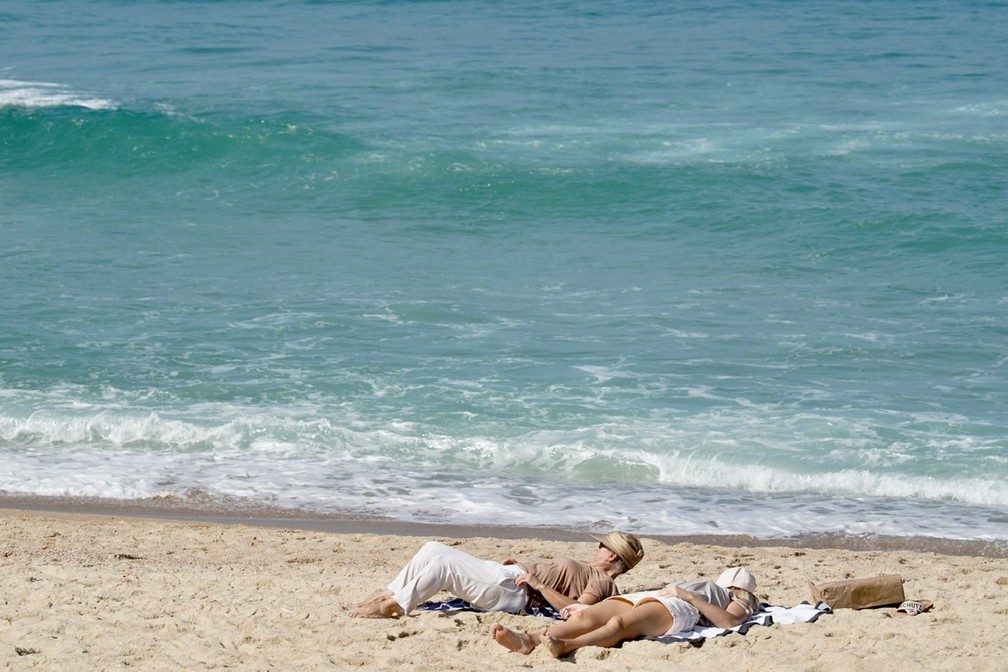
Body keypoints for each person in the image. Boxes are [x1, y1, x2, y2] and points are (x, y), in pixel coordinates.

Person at [350, 531, 644, 619]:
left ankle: (395, 606)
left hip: (515, 592)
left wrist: (538, 582)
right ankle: (389, 594)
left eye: (601, 545)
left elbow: (577, 610)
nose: (597, 547)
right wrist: (524, 565)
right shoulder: (591, 570)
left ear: (612, 555)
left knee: (442, 566)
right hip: (508, 575)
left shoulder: (603, 581)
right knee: (432, 548)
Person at [491, 566, 760, 658]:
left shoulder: (739, 596)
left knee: (619, 623)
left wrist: (686, 594)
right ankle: (529, 639)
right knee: (587, 616)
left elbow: (729, 621)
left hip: (681, 606)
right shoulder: (714, 588)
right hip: (654, 595)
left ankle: (567, 645)